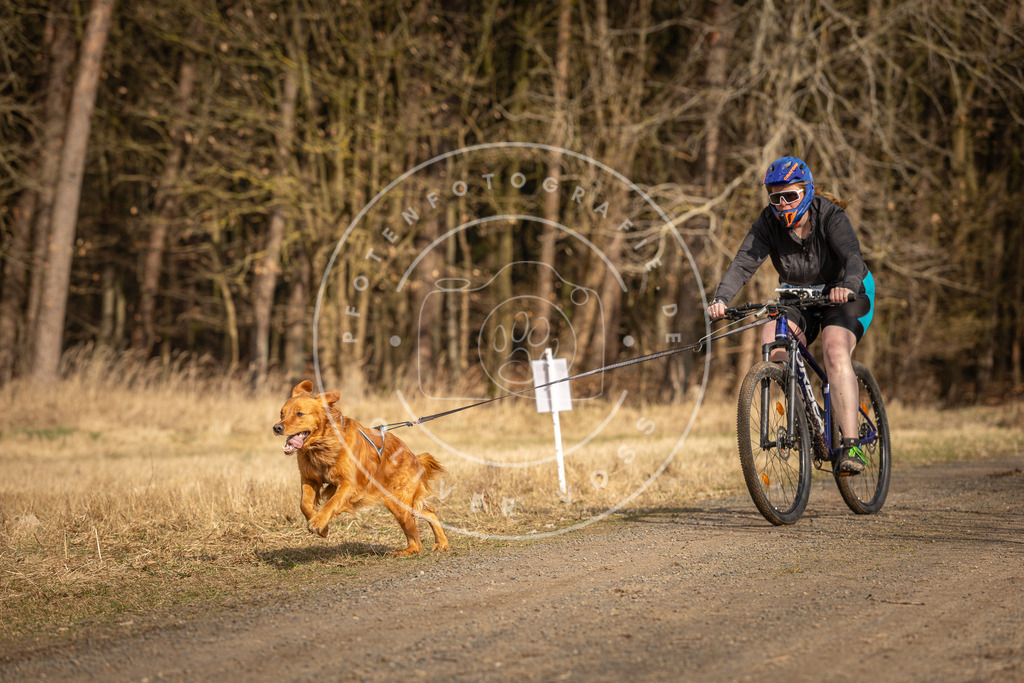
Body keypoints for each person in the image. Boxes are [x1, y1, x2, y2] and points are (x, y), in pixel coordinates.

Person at [707, 156, 875, 475]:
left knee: (834, 349)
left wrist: (847, 286)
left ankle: (852, 444)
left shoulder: (830, 215)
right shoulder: (768, 223)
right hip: (798, 297)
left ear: (807, 191)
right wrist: (721, 298)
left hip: (846, 293)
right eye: (776, 198)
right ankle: (806, 415)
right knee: (773, 340)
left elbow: (853, 256)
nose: (782, 204)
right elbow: (742, 264)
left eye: (790, 196)